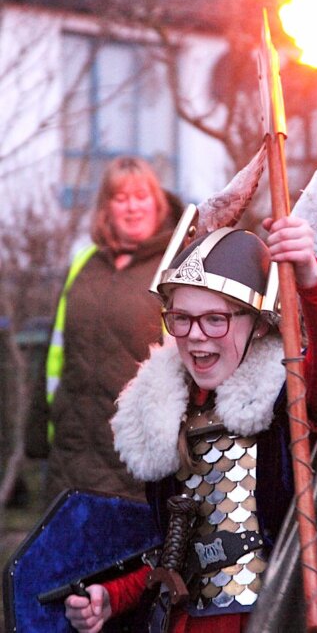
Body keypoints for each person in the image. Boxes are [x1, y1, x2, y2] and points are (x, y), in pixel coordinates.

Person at [63, 212, 317, 632]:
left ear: (256, 325)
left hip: (270, 617)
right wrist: (113, 597)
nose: (195, 334)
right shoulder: (168, 416)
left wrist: (309, 275)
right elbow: (179, 555)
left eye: (215, 319)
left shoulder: (282, 399)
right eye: (180, 318)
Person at [30, 156, 183, 503]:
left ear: (157, 204)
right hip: (70, 456)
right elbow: (54, 353)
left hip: (136, 461)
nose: (132, 208)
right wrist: (37, 432)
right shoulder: (84, 263)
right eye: (121, 198)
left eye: (141, 196)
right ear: (106, 208)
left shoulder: (173, 269)